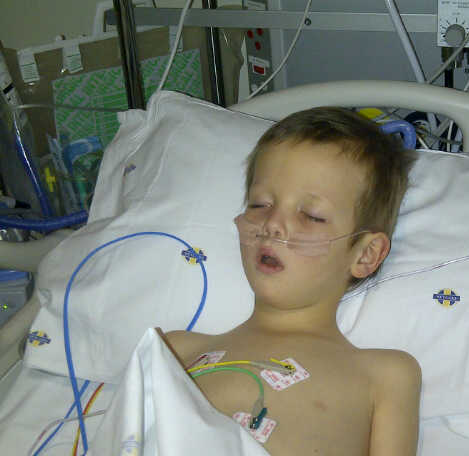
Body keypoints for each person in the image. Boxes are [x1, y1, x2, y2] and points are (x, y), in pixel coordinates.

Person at [164, 107, 421, 455]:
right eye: (260, 204)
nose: (273, 224)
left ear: (364, 255)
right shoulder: (177, 350)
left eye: (311, 216)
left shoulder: (386, 375)